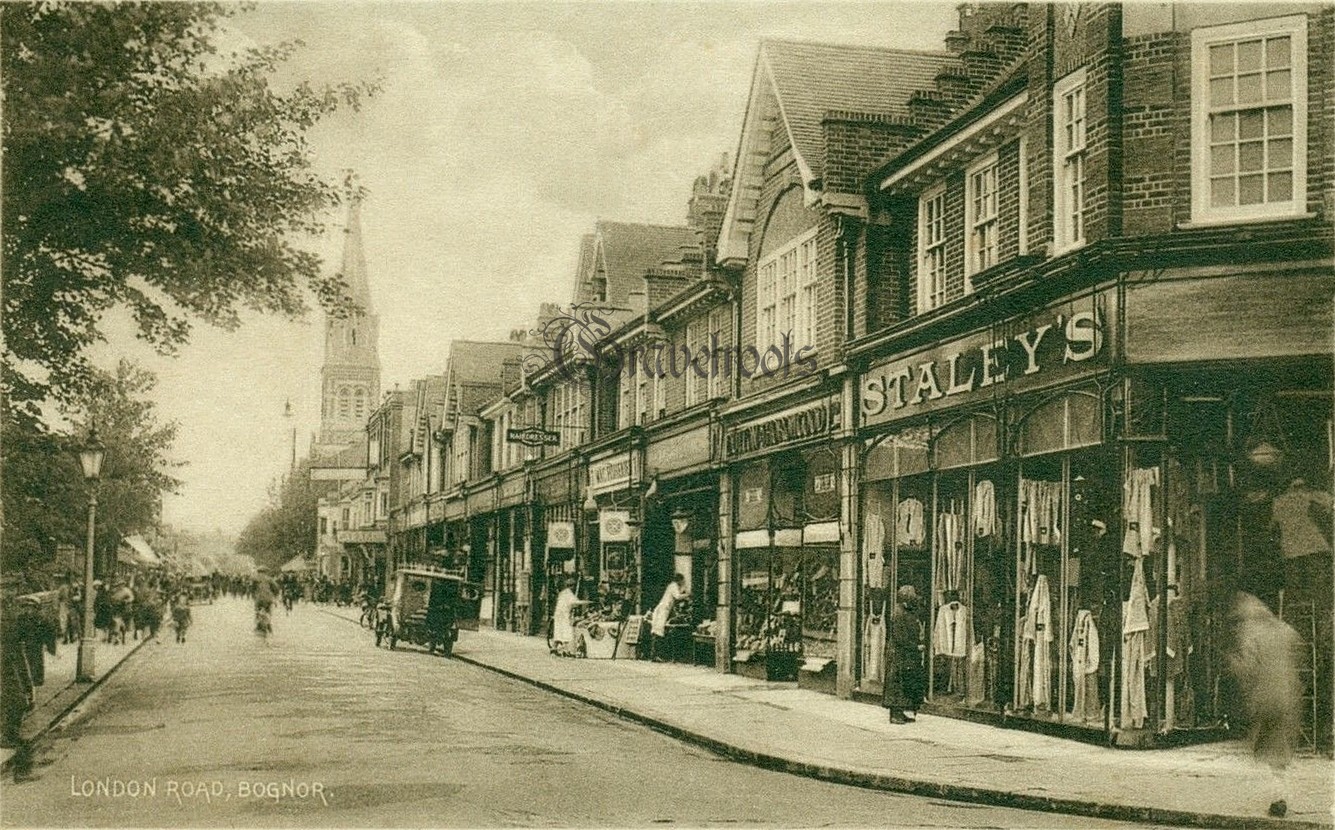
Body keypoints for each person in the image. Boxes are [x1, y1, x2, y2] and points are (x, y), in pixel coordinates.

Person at [1227, 592, 1304, 818]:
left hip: (1265, 700)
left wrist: (1234, 663)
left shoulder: (1252, 635)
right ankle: (1279, 795)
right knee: (1277, 751)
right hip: (1287, 699)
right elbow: (1298, 658)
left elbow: (1248, 669)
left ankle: (1278, 797)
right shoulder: (1286, 630)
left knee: (1265, 752)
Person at [882, 585, 925, 725]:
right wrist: (915, 647)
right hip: (898, 654)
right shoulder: (899, 613)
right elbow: (900, 637)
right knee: (896, 683)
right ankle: (895, 714)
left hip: (904, 654)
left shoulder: (906, 611)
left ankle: (900, 711)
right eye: (912, 595)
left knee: (903, 682)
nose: (915, 598)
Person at [649, 573, 689, 662]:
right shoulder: (673, 586)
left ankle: (654, 655)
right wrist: (687, 594)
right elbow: (678, 596)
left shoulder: (672, 586)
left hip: (664, 609)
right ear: (679, 580)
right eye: (682, 580)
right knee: (658, 632)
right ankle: (655, 655)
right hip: (663, 610)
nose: (683, 582)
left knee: (657, 631)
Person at [551, 577, 589, 657]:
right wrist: (587, 602)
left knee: (558, 632)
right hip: (564, 616)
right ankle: (565, 650)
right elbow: (575, 602)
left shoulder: (563, 593)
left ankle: (555, 649)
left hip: (559, 615)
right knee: (566, 632)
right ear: (571, 586)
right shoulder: (569, 594)